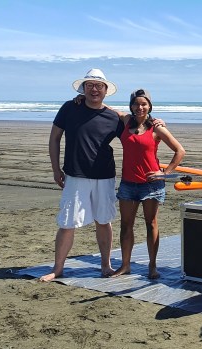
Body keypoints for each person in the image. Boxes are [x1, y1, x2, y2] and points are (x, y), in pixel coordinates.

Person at [40, 68, 122, 282]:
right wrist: (56, 169)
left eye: (98, 86)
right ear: (83, 88)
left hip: (104, 176)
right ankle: (57, 269)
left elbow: (137, 134)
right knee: (67, 223)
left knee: (104, 221)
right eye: (89, 85)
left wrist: (156, 124)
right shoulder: (69, 108)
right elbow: (54, 139)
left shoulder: (114, 117)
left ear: (106, 90)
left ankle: (106, 265)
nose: (94, 89)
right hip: (75, 176)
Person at [110, 89, 185, 279]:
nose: (140, 107)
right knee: (126, 225)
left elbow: (180, 151)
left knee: (151, 224)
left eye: (144, 104)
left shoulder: (157, 128)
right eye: (136, 104)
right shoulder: (126, 122)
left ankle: (152, 267)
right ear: (131, 106)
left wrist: (164, 173)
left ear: (149, 106)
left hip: (150, 185)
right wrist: (82, 98)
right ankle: (125, 266)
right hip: (128, 184)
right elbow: (107, 108)